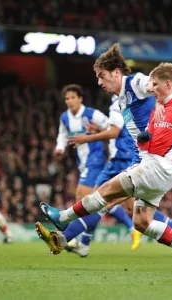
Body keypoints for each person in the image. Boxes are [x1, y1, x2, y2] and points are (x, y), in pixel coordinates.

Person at [37, 60, 172, 254]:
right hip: (147, 160)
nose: (99, 82)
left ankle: (65, 224)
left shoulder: (135, 84)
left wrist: (87, 137)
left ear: (115, 73)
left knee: (102, 195)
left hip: (139, 161)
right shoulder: (123, 102)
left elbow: (154, 82)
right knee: (139, 220)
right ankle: (66, 240)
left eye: (101, 76)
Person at [54, 85, 139, 255]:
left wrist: (95, 133)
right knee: (103, 202)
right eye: (67, 98)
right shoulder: (64, 117)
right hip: (83, 162)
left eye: (72, 97)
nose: (70, 101)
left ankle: (75, 239)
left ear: (80, 98)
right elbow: (63, 135)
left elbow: (114, 129)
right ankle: (84, 243)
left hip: (97, 160)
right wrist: (60, 148)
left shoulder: (93, 114)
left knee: (85, 197)